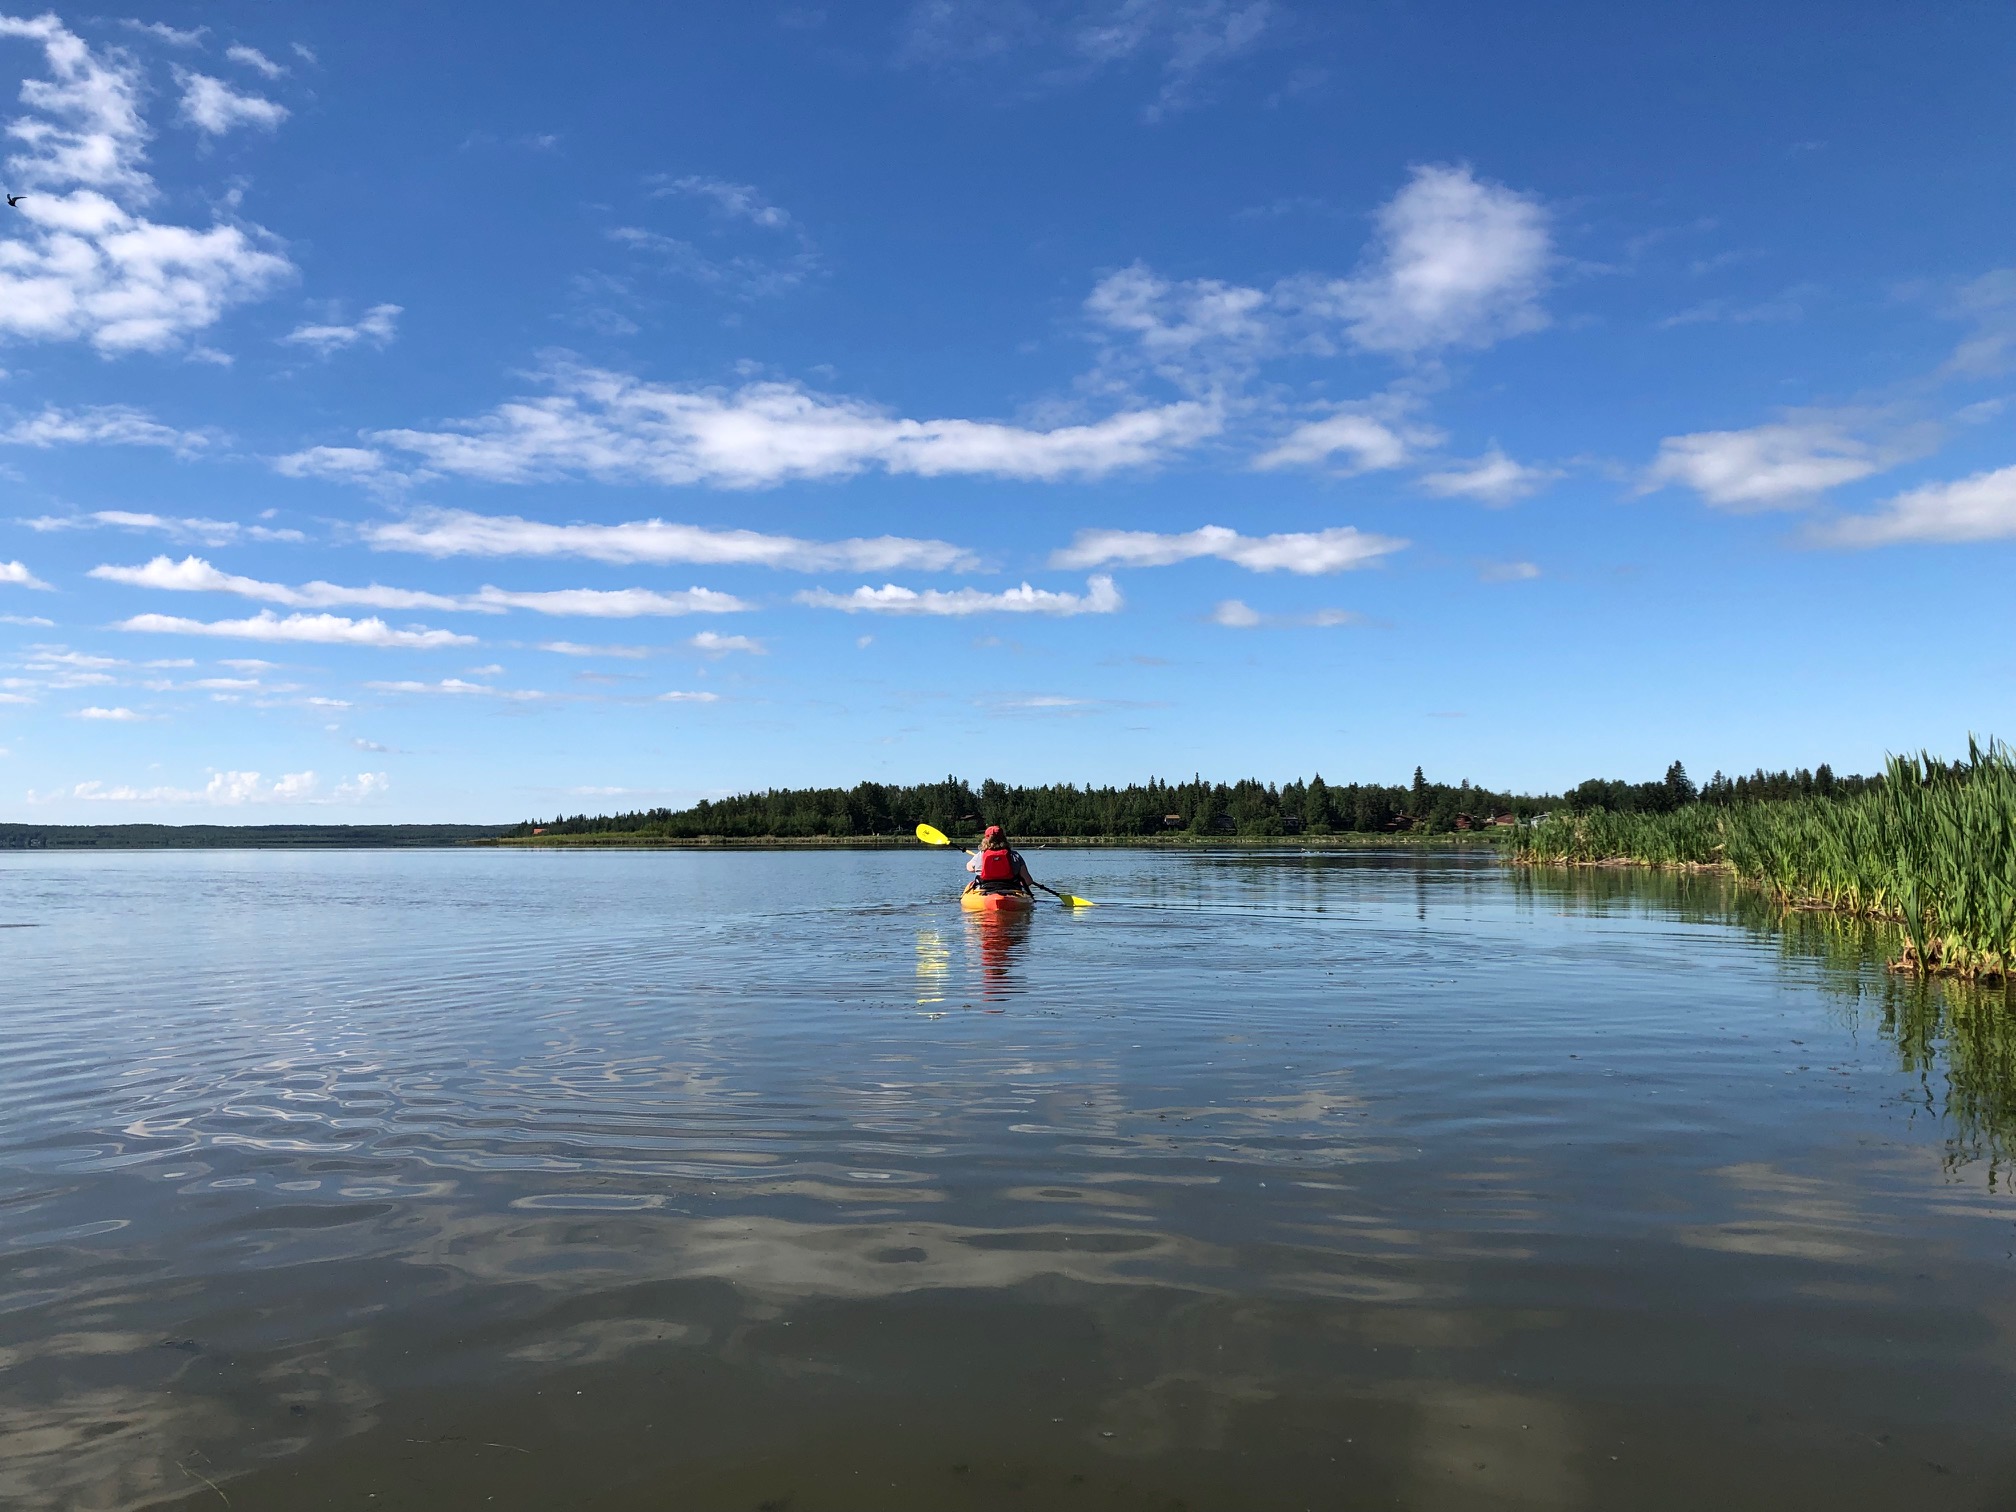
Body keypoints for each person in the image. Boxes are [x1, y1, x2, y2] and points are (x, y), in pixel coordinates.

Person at [965, 824, 1036, 897]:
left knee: (971, 884)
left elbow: (969, 868)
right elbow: (1028, 881)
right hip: (1011, 890)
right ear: (1004, 839)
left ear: (985, 840)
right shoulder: (1015, 856)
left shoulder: (980, 855)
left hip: (985, 890)